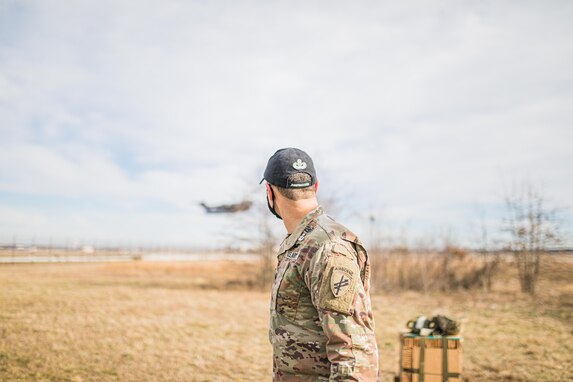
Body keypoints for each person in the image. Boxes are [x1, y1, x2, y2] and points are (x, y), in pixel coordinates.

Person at [261, 147, 379, 381]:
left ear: (269, 191)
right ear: (315, 187)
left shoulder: (328, 247)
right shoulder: (302, 241)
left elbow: (353, 352)